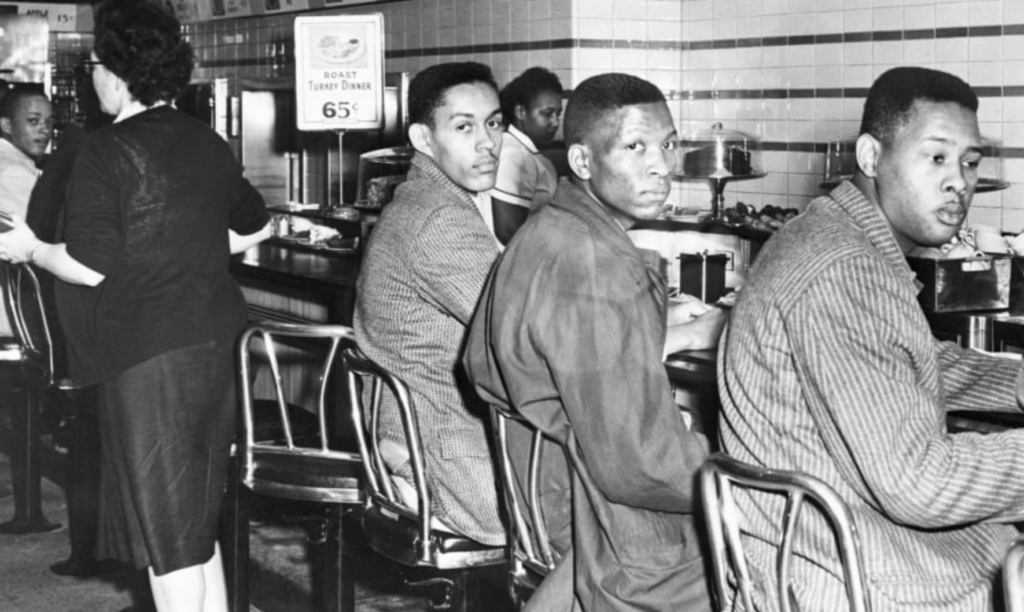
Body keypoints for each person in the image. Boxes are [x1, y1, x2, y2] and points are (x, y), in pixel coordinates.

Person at [717, 65, 1024, 611]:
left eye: (970, 162)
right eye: (936, 157)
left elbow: (910, 361)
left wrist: (1021, 380)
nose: (959, 180)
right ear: (869, 157)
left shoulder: (829, 233)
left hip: (806, 548)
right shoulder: (846, 267)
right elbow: (919, 484)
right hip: (843, 580)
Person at [0, 2, 271, 611]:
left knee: (164, 535)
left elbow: (89, 266)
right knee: (194, 523)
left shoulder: (107, 150)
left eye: (93, 64)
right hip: (219, 349)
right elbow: (256, 227)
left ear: (116, 74)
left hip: (149, 358)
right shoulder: (206, 139)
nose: (88, 76)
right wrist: (190, 247)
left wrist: (30, 249)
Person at [464, 72, 727, 611]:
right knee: (805, 538)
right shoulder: (594, 263)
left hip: (553, 494)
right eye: (635, 147)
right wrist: (741, 471)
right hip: (606, 527)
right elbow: (642, 465)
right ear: (583, 162)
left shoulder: (551, 230)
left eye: (668, 144)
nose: (661, 165)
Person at [353, 61, 506, 546]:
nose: (487, 143)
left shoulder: (426, 200)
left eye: (494, 123)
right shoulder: (439, 219)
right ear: (423, 138)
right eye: (464, 127)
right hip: (446, 463)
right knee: (623, 520)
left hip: (413, 439)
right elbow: (529, 330)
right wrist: (670, 330)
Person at [488, 66, 563, 244]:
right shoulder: (515, 154)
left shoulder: (525, 151)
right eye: (547, 114)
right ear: (520, 112)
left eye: (558, 114)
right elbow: (508, 231)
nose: (555, 122)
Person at [0, 86, 52, 220]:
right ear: (7, 125)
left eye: (49, 121)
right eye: (33, 121)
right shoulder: (13, 172)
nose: (45, 129)